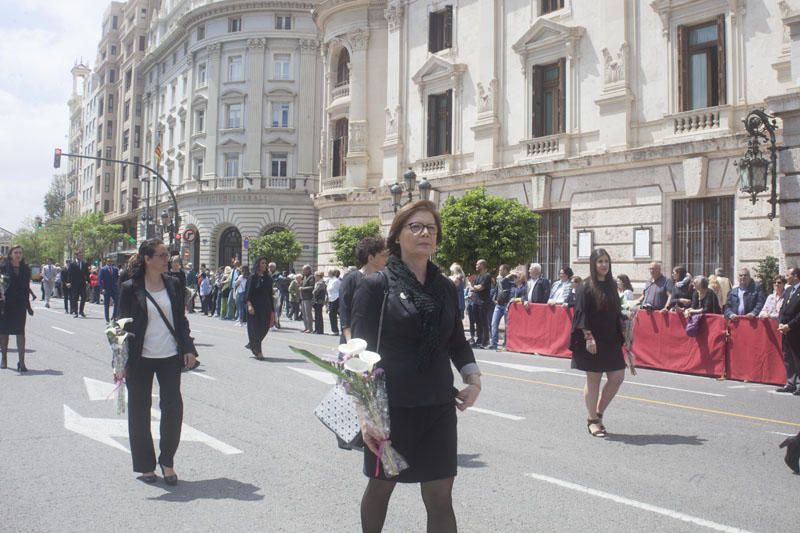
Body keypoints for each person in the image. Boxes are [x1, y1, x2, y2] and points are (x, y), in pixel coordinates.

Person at [351, 200, 481, 532]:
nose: (425, 233)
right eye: (416, 227)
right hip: (389, 411)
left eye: (431, 228)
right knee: (381, 489)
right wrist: (366, 416)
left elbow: (457, 341)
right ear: (397, 236)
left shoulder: (446, 289)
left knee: (440, 496)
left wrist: (473, 379)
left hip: (437, 408)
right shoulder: (376, 286)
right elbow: (357, 353)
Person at [117, 238, 198, 485]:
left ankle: (167, 461)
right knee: (139, 412)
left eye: (167, 255)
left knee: (173, 409)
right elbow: (120, 325)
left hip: (170, 356)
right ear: (148, 259)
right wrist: (120, 360)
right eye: (162, 255)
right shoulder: (130, 288)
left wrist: (189, 348)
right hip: (140, 358)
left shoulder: (174, 284)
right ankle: (145, 465)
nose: (167, 259)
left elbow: (180, 321)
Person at [569, 248, 625, 438]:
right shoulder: (585, 286)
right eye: (600, 261)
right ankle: (592, 420)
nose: (603, 265)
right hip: (591, 339)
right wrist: (588, 337)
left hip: (611, 339)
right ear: (593, 264)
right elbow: (581, 313)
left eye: (606, 262)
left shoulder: (611, 286)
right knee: (593, 379)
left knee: (617, 376)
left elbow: (614, 311)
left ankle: (599, 413)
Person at [339, 236, 388, 343]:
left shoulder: (383, 280)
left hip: (375, 340)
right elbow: (345, 310)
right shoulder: (351, 278)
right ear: (371, 258)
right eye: (383, 255)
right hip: (354, 340)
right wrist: (350, 341)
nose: (387, 259)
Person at [0, 245, 33, 371]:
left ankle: (21, 362)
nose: (18, 255)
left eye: (20, 252)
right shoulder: (3, 267)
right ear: (10, 254)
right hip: (5, 303)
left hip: (20, 303)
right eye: (16, 252)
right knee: (4, 332)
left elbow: (26, 288)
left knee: (20, 332)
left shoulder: (26, 269)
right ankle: (4, 358)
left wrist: (28, 306)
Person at [777, 268, 800, 394]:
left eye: (788, 275)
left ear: (795, 276)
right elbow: (783, 308)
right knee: (788, 357)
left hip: (796, 330)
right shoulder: (789, 290)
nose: (786, 277)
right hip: (785, 330)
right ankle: (790, 383)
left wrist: (790, 325)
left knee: (798, 357)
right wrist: (780, 322)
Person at [245, 257, 273, 360]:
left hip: (266, 307)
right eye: (262, 263)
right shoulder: (252, 277)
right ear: (258, 264)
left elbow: (270, 294)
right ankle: (258, 351)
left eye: (266, 263)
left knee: (265, 328)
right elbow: (248, 292)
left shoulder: (268, 278)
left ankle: (252, 343)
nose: (265, 265)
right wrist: (249, 305)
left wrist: (272, 310)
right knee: (255, 329)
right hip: (254, 307)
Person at [489, 264, 513, 350]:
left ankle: (506, 343)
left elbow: (511, 291)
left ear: (506, 270)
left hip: (506, 305)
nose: (499, 272)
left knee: (507, 325)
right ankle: (494, 343)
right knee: (494, 323)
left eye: (501, 270)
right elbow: (497, 289)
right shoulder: (499, 279)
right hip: (498, 305)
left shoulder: (511, 279)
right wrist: (494, 298)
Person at [471, 259, 492, 348]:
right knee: (478, 322)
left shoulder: (487, 276)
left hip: (483, 302)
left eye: (477, 264)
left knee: (484, 322)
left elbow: (480, 288)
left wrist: (474, 287)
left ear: (482, 265)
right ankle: (479, 340)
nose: (476, 266)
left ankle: (485, 341)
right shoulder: (478, 276)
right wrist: (474, 288)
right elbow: (474, 288)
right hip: (476, 302)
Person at [67, 251, 90, 318]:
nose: (81, 256)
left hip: (82, 283)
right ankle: (76, 312)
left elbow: (87, 273)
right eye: (80, 255)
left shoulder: (84, 263)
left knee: (84, 297)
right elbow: (69, 274)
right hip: (74, 284)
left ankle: (81, 311)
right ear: (76, 256)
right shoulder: (72, 264)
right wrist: (68, 282)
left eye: (82, 255)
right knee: (75, 298)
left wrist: (88, 281)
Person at [99, 257, 120, 323]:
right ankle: (107, 318)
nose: (110, 262)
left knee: (117, 302)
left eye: (111, 261)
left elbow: (118, 279)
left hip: (114, 289)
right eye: (108, 261)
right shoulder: (103, 269)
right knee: (106, 304)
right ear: (106, 262)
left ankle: (114, 315)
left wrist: (118, 286)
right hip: (106, 289)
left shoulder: (115, 269)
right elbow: (100, 280)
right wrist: (102, 288)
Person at [299, 265, 315, 333]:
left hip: (308, 297)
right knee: (304, 314)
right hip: (303, 297)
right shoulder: (304, 276)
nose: (303, 271)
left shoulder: (311, 277)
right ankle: (306, 327)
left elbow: (312, 287)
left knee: (308, 314)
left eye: (304, 270)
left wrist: (303, 288)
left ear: (308, 270)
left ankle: (310, 328)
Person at [326, 269, 341, 336]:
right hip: (331, 299)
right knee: (332, 314)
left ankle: (336, 330)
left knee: (333, 314)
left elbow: (340, 289)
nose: (328, 274)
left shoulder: (336, 281)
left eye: (329, 273)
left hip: (336, 298)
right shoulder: (330, 280)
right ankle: (334, 330)